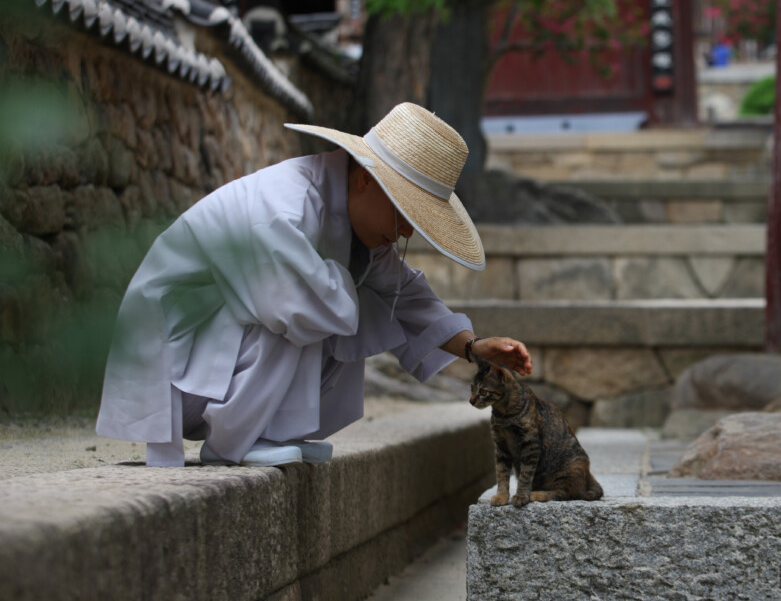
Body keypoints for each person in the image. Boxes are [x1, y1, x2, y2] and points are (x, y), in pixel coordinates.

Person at [96, 102, 531, 467]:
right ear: (365, 178)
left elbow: (407, 294)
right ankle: (236, 441)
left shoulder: (346, 214)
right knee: (316, 304)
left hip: (214, 364)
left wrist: (474, 348)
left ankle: (268, 429)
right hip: (177, 370)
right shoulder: (282, 208)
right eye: (405, 213)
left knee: (345, 295)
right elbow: (296, 308)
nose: (405, 234)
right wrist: (355, 290)